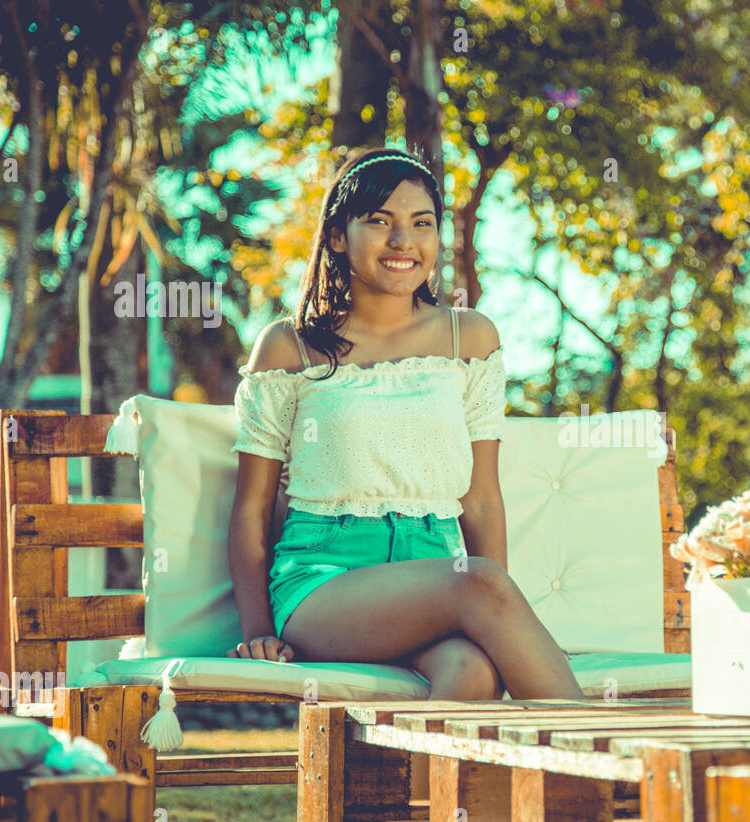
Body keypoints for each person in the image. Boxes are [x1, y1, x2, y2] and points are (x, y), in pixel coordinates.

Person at [226, 146, 584, 701]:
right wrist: (256, 632)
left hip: (440, 574)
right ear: (338, 237)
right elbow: (251, 507)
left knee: (472, 673)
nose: (403, 241)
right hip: (326, 582)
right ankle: (596, 776)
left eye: (422, 224)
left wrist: (495, 618)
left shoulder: (472, 340)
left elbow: (482, 500)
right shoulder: (289, 346)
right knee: (479, 579)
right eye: (379, 222)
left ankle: (418, 793)